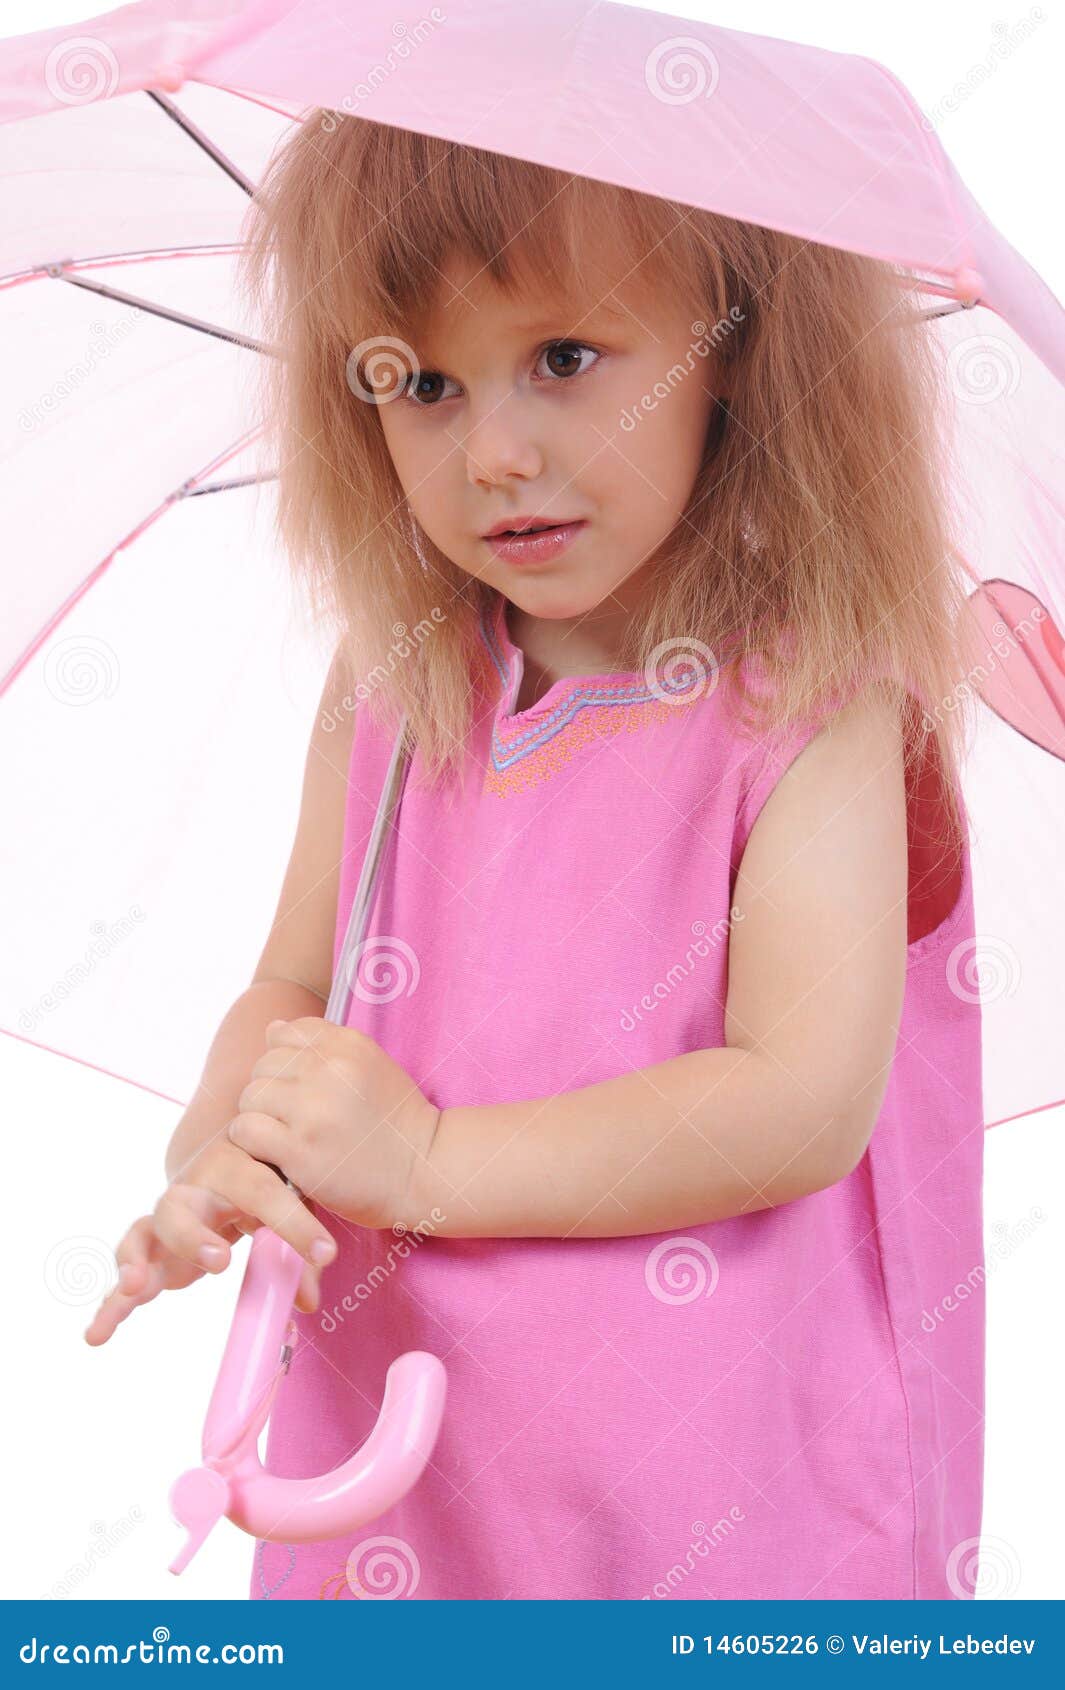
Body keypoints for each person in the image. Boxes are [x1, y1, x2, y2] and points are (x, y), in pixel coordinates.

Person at [84, 119, 984, 1601]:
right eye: (422, 384)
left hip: (710, 1502)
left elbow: (798, 1100)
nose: (495, 453)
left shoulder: (814, 708)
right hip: (398, 1462)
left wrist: (429, 1162)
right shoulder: (394, 685)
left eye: (564, 358)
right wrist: (220, 1150)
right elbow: (292, 982)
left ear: (737, 353)